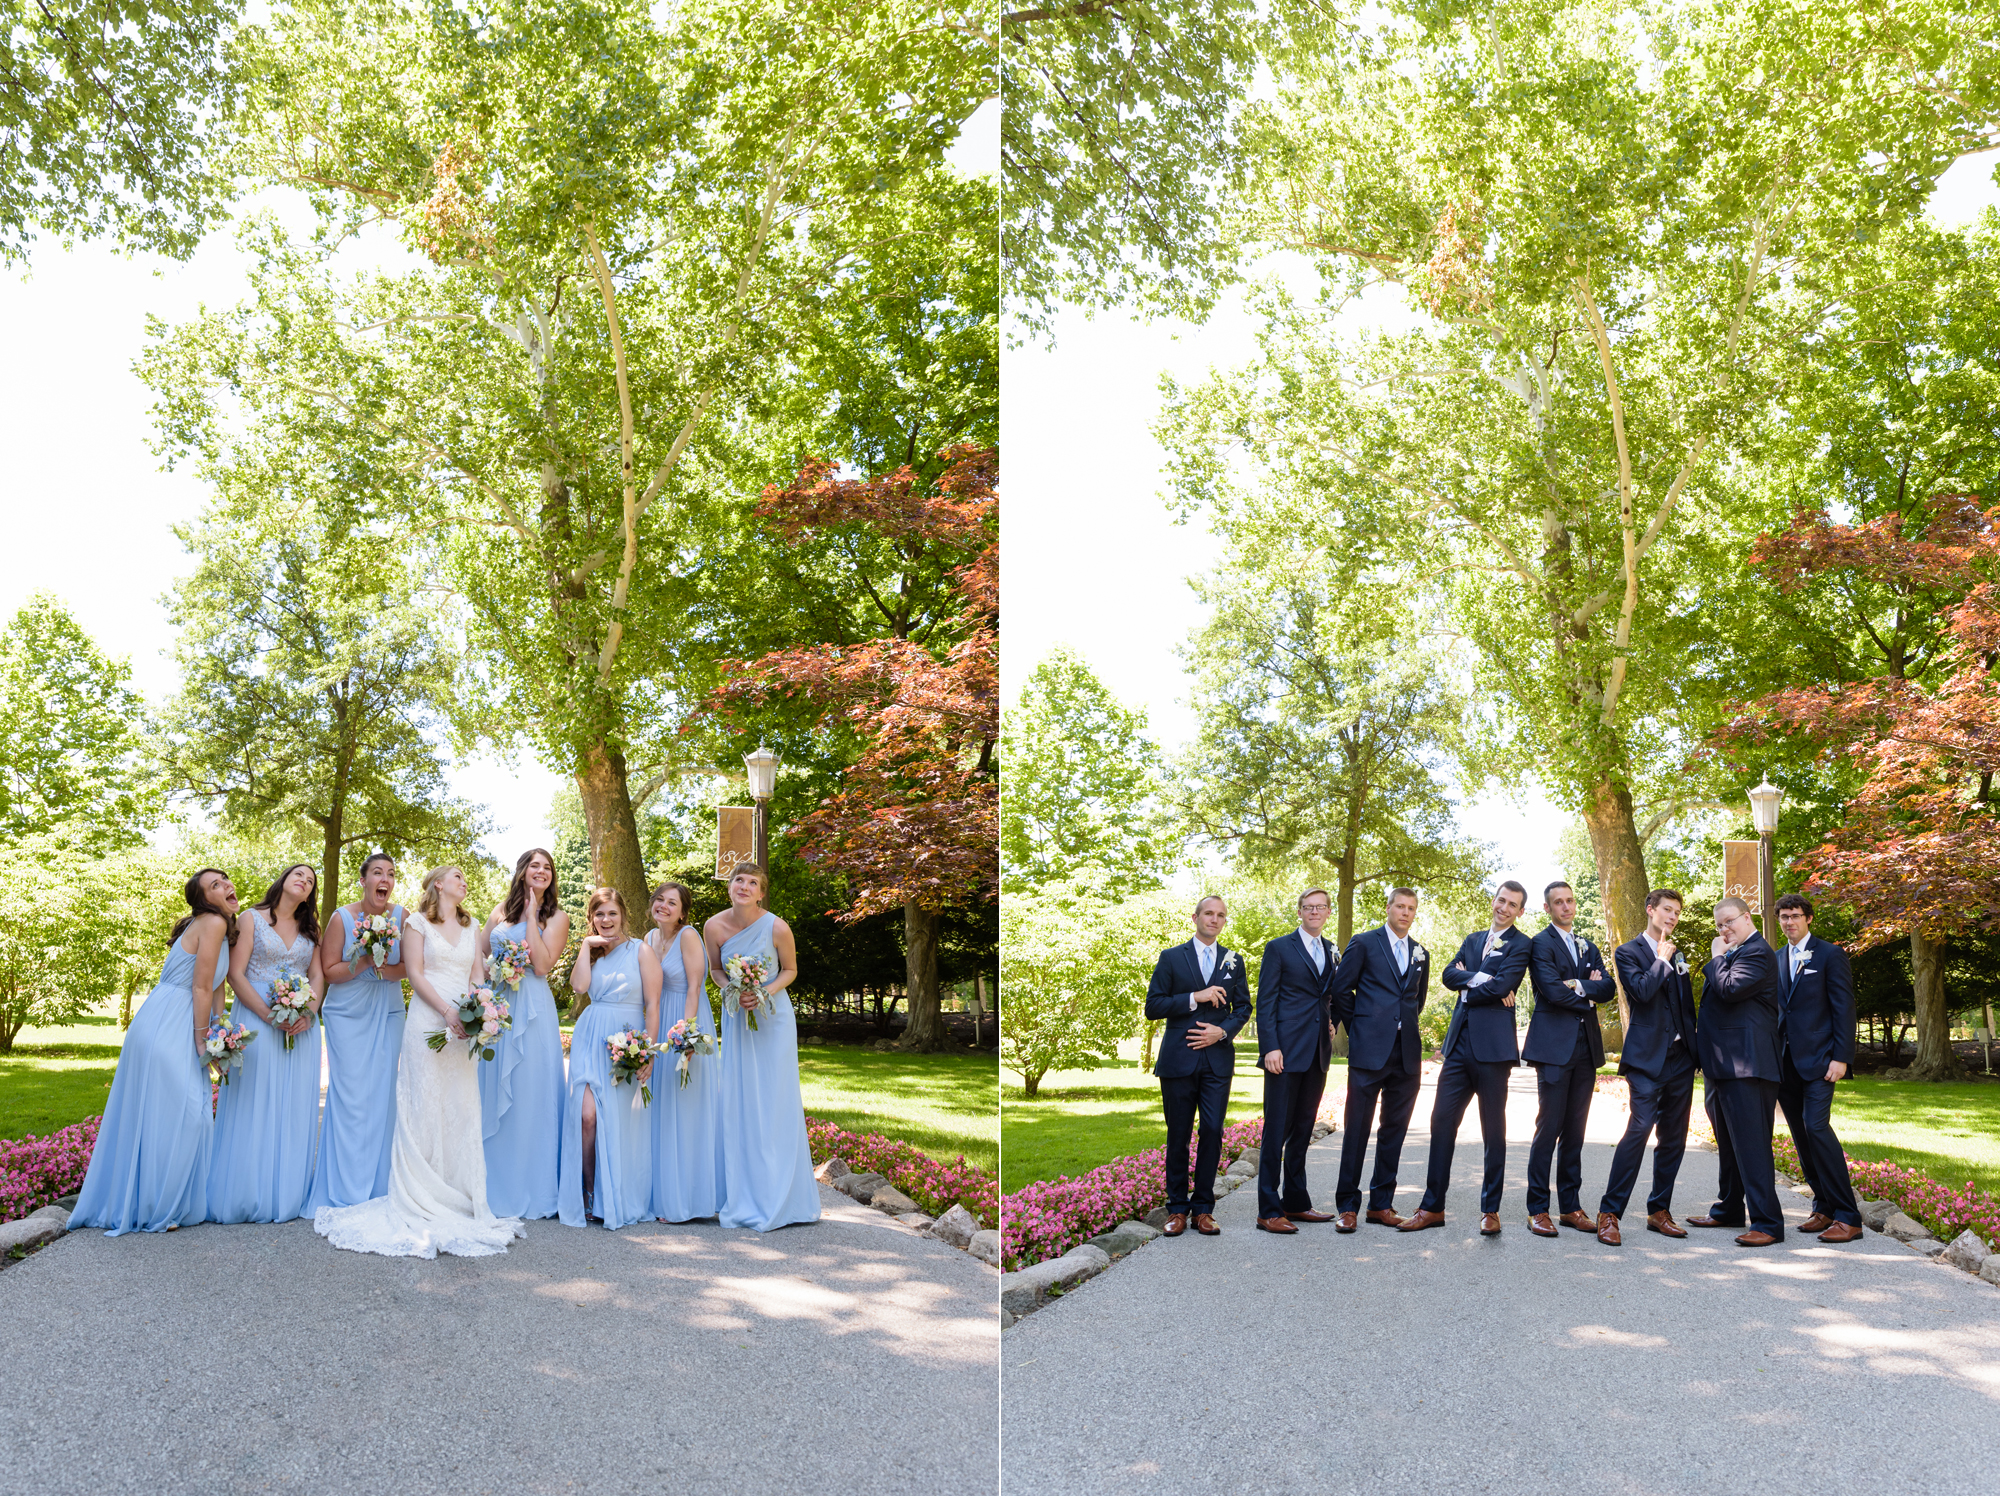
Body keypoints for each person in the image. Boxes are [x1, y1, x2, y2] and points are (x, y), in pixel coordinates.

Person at [314, 866, 524, 1258]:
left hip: (465, 1024)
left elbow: (477, 973)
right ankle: (419, 1192)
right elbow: (413, 974)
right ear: (438, 884)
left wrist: (480, 1010)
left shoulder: (472, 923)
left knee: (460, 1105)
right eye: (458, 876)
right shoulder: (416, 925)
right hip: (429, 1019)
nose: (465, 881)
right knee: (423, 1104)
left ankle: (460, 1193)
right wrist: (447, 1012)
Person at [71, 869, 237, 1235]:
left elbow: (218, 984)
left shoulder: (223, 926)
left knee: (181, 1110)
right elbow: (199, 988)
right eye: (214, 885)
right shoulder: (211, 922)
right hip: (169, 1022)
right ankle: (154, 1206)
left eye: (224, 880)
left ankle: (167, 1202)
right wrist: (201, 1040)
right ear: (203, 900)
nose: (225, 886)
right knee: (185, 1111)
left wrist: (220, 1033)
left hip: (182, 1019)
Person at [1401, 881, 1531, 1236]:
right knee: (1441, 1123)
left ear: (1520, 911)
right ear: (1494, 900)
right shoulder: (1473, 939)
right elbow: (1447, 975)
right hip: (1458, 1049)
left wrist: (1469, 988)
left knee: (1494, 1131)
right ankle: (1432, 1207)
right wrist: (1480, 979)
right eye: (1501, 900)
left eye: (1512, 905)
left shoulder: (1522, 944)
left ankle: (1490, 1210)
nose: (1503, 908)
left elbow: (1503, 986)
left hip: (1494, 1052)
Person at [208, 864, 326, 1223]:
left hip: (300, 1025)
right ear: (283, 880)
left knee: (292, 1104)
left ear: (310, 894)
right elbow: (234, 972)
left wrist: (309, 1010)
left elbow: (317, 974)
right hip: (257, 1016)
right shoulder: (250, 919)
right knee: (254, 1100)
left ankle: (285, 1195)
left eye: (310, 881)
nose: (304, 881)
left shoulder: (311, 929)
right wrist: (268, 1014)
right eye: (299, 875)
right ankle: (246, 1192)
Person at [708, 863, 821, 1232]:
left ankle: (784, 1198)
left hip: (773, 1019)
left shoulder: (777, 926)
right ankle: (743, 1193)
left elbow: (790, 970)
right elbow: (715, 970)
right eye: (738, 880)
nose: (744, 886)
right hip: (737, 1019)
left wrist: (761, 992)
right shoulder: (713, 926)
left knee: (775, 1099)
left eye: (752, 882)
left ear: (761, 893)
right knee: (741, 1099)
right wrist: (733, 990)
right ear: (730, 887)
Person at [1143, 894, 1251, 1237]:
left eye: (1221, 915)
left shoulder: (1235, 961)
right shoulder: (1172, 958)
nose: (1214, 919)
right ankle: (1176, 1209)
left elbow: (1244, 1008)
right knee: (1178, 1136)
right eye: (1209, 913)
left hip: (1217, 1061)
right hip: (1178, 1059)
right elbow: (1154, 1005)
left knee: (1214, 1131)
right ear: (1195, 917)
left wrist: (1223, 1031)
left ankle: (1203, 1209)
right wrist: (1196, 997)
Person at [306, 854, 408, 1213]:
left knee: (382, 1094)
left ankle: (381, 1185)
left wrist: (382, 967)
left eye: (391, 874)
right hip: (347, 1012)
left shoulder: (402, 917)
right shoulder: (342, 918)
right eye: (378, 873)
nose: (385, 879)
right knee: (351, 1095)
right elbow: (330, 971)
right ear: (363, 879)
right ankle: (347, 1186)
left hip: (389, 1009)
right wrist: (364, 959)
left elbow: (407, 969)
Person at [1597, 888, 1699, 1245]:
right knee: (1640, 1127)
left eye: (1676, 913)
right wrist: (1661, 959)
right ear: (1650, 909)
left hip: (1680, 1058)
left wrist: (1695, 1052)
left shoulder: (1680, 954)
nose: (1672, 917)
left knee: (1674, 1135)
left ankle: (1659, 1210)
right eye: (1667, 910)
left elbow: (1686, 1007)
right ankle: (1609, 1213)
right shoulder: (1628, 952)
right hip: (1645, 1058)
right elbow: (1640, 992)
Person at [1686, 896, 1786, 1246]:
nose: (1724, 930)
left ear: (1747, 917)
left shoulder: (1759, 952)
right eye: (1719, 926)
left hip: (1748, 1065)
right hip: (1721, 1065)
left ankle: (1768, 1223)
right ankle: (1729, 1208)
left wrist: (1716, 956)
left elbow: (1729, 989)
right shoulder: (1733, 955)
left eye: (1729, 922)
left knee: (1751, 1144)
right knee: (1728, 1144)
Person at [1328, 886, 1429, 1231]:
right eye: (1399, 906)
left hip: (1407, 1054)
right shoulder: (1364, 942)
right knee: (1357, 1129)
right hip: (1368, 1050)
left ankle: (1381, 1205)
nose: (1405, 912)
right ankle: (1347, 1206)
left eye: (1410, 908)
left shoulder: (1421, 953)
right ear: (1388, 908)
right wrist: (1360, 1026)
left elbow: (1418, 998)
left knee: (1394, 1131)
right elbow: (1342, 989)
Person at [561, 887, 662, 1229]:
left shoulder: (641, 951)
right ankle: (588, 1190)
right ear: (591, 919)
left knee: (621, 1122)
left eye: (612, 914)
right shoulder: (591, 952)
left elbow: (653, 1004)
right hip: (591, 1036)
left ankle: (615, 1194)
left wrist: (646, 1051)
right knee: (586, 1115)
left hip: (626, 1039)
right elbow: (578, 988)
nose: (606, 920)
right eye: (599, 914)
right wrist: (586, 947)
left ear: (623, 916)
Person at [477, 848, 568, 1220]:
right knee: (493, 1086)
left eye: (547, 867)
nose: (541, 871)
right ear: (522, 871)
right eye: (535, 865)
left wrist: (532, 916)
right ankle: (490, 1185)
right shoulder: (500, 909)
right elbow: (480, 953)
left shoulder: (557, 917)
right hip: (499, 1006)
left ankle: (532, 1185)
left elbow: (543, 965)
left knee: (530, 1091)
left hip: (532, 1006)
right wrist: (481, 1001)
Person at [1521, 880, 1615, 1237]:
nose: (1566, 907)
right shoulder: (1539, 944)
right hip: (1553, 1049)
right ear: (1547, 909)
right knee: (1549, 1128)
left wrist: (1578, 985)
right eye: (1558, 902)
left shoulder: (1587, 945)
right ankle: (1537, 1209)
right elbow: (1550, 989)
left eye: (1570, 901)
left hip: (1585, 1049)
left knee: (1575, 1131)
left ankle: (1571, 1207)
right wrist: (1585, 989)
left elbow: (1607, 986)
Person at [1773, 893, 1863, 1243]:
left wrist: (1842, 1057)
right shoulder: (1778, 957)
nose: (1789, 922)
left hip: (1823, 1061)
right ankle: (1823, 1206)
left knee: (1817, 1126)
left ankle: (1848, 1215)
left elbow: (1844, 1008)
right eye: (1784, 917)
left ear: (1808, 918)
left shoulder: (1830, 954)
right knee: (1801, 1134)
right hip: (1785, 1063)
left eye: (1795, 916)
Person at [1253, 889, 1339, 1235]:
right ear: (1300, 911)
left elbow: (1329, 994)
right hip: (1284, 1053)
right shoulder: (1279, 948)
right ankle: (1268, 1210)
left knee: (1303, 1130)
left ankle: (1297, 1202)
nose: (1314, 912)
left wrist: (1331, 1019)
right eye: (1308, 907)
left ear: (1329, 912)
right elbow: (1266, 1000)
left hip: (1317, 1051)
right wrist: (1270, 1047)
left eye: (1320, 907)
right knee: (1277, 1131)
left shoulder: (1332, 950)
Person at [648, 880, 720, 1223]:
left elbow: (695, 987)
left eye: (671, 902)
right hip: (657, 1022)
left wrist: (686, 1037)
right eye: (659, 899)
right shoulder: (648, 939)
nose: (663, 905)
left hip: (684, 1021)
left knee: (683, 1107)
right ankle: (659, 1193)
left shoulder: (689, 936)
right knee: (659, 1106)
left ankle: (685, 1200)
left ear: (682, 911)